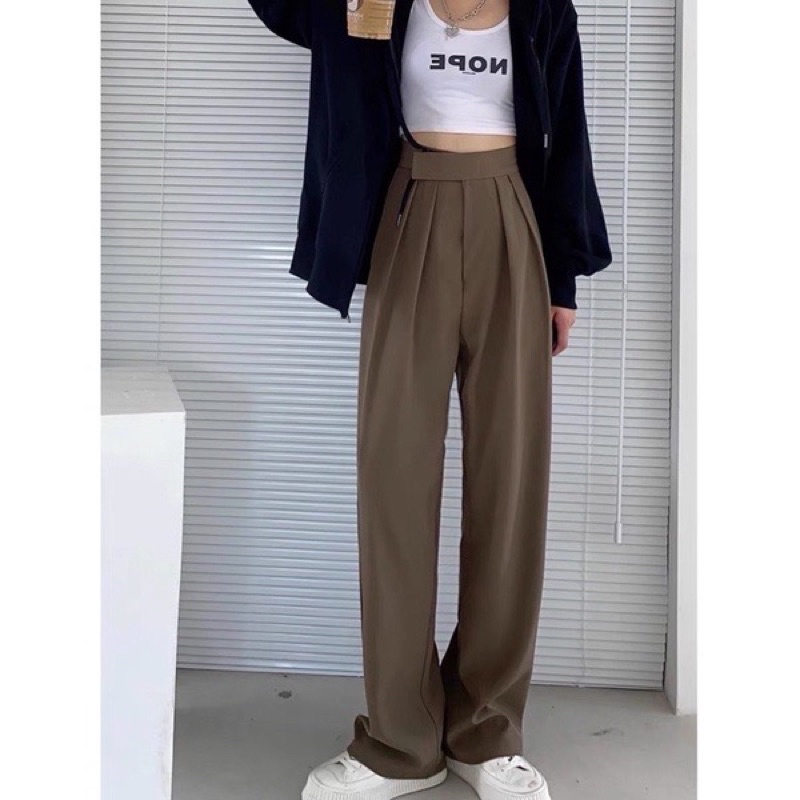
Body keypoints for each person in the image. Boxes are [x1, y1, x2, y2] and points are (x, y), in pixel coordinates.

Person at [246, 2, 613, 799]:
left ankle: (486, 731)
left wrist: (561, 281)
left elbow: (567, 135)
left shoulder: (542, 8)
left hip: (511, 221)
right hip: (408, 216)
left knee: (509, 486)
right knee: (394, 480)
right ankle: (399, 742)